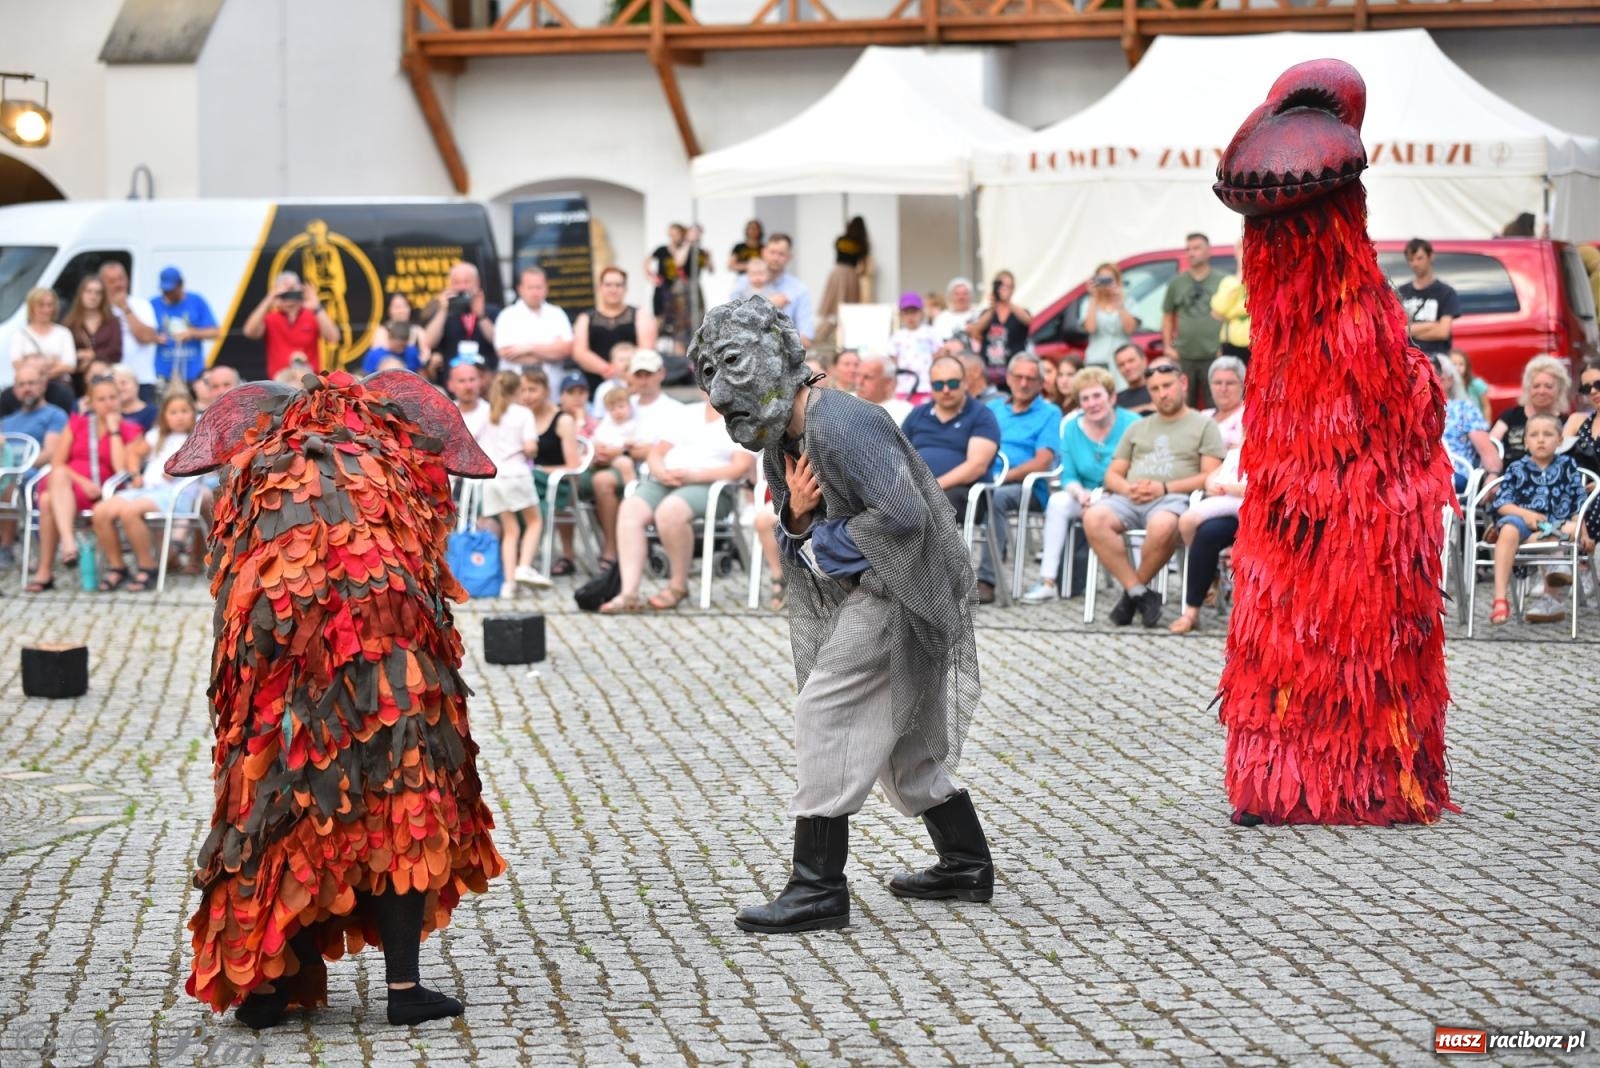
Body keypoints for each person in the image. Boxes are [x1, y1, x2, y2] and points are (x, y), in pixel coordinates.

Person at [166, 370, 505, 1030]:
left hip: (282, 656)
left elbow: (236, 588)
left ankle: (266, 984)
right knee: (401, 800)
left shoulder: (261, 465)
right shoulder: (394, 459)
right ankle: (404, 987)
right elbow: (428, 566)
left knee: (281, 801)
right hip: (393, 657)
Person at [689, 296, 992, 934]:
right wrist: (798, 514)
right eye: (708, 372)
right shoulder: (783, 436)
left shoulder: (840, 422)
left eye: (731, 365)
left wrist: (817, 533)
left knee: (824, 711)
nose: (718, 392)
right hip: (876, 583)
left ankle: (817, 886)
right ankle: (965, 862)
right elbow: (795, 519)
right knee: (900, 730)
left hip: (901, 586)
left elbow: (905, 515)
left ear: (776, 357)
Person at [1082, 361, 1223, 627]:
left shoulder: (1204, 425)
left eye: (1167, 386)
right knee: (1093, 518)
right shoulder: (1138, 427)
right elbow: (1112, 474)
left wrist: (1165, 488)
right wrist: (1126, 488)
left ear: (1183, 384)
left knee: (1164, 525)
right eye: (1155, 389)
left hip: (1173, 498)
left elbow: (1210, 476)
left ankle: (1130, 597)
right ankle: (1139, 592)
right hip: (1129, 497)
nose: (1162, 394)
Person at [600, 392, 753, 613]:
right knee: (630, 508)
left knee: (670, 511)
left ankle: (677, 585)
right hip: (667, 479)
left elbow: (740, 468)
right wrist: (660, 471)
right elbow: (656, 452)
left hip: (711, 486)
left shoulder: (742, 418)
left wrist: (695, 476)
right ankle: (628, 593)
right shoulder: (685, 413)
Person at [1020, 367, 1141, 604]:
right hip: (1086, 495)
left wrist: (1103, 496)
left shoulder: (1132, 423)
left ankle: (1138, 584)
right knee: (1058, 501)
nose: (1092, 403)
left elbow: (1138, 471)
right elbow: (1069, 475)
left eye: (1097, 396)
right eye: (1085, 398)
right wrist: (1080, 494)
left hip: (1124, 495)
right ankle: (1048, 581)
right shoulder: (1072, 428)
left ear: (1111, 397)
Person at [24, 373, 146, 594]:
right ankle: (69, 543)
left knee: (46, 500)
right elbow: (58, 461)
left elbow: (121, 468)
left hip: (103, 489)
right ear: (90, 402)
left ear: (119, 399)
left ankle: (46, 571)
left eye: (112, 397)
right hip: (70, 482)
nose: (108, 403)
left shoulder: (130, 429)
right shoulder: (77, 424)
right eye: (101, 399)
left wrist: (114, 430)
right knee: (56, 480)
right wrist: (82, 481)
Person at [1167, 357, 1250, 633]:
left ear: (1242, 385)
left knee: (1202, 529)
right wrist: (1211, 481)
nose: (1223, 388)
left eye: (1230, 383)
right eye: (1218, 383)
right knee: (1200, 530)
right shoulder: (1202, 418)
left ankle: (1201, 599)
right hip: (1212, 490)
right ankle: (1198, 599)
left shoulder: (1249, 415)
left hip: (1245, 500)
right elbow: (1214, 467)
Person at [970, 354, 1060, 603]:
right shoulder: (992, 408)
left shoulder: (1050, 413)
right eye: (1018, 377)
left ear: (1041, 383)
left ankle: (986, 580)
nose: (1023, 383)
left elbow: (1043, 461)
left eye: (1030, 379)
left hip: (1026, 487)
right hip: (983, 478)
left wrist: (1004, 477)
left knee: (995, 497)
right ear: (1008, 379)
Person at [89, 391, 199, 591]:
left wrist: (181, 469)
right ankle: (117, 566)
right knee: (101, 511)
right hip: (148, 488)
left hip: (176, 493)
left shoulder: (199, 438)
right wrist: (135, 474)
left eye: (185, 411)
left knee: (130, 511)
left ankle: (147, 566)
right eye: (173, 412)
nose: (180, 416)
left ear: (193, 413)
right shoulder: (156, 436)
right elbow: (133, 452)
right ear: (164, 416)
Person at [1486, 414, 1588, 625]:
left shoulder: (1568, 465)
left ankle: (1523, 549)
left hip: (1558, 523)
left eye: (1548, 434)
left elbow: (1579, 501)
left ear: (1560, 440)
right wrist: (1527, 515)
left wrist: (1583, 529)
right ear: (1525, 441)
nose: (1540, 439)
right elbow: (1502, 503)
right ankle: (1500, 599)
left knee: (1571, 528)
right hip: (1523, 522)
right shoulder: (1517, 467)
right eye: (1533, 435)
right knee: (1509, 530)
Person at [588, 348, 684, 566]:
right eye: (638, 374)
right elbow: (603, 431)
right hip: (622, 464)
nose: (643, 380)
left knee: (603, 481)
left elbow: (664, 449)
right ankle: (613, 546)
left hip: (652, 470)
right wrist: (601, 449)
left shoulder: (674, 409)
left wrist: (622, 451)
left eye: (648, 374)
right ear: (630, 375)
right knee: (597, 480)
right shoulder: (621, 402)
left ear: (661, 373)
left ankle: (613, 550)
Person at [471, 370, 552, 596]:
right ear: (517, 390)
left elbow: (473, 439)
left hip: (493, 479)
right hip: (516, 475)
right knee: (535, 522)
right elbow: (530, 448)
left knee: (510, 530)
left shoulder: (485, 413)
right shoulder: (522, 414)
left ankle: (509, 585)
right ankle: (524, 566)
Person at [901, 352, 1001, 527]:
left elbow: (976, 466)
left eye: (953, 383)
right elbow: (897, 455)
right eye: (939, 385)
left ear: (965, 383)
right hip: (916, 491)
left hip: (965, 493)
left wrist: (933, 487)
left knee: (928, 507)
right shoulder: (917, 415)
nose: (946, 390)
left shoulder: (981, 415)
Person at [0, 357, 69, 570]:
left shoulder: (55, 415)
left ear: (43, 385)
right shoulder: (6, 422)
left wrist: (17, 468)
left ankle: (6, 546)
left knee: (8, 483)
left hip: (37, 474)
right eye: (21, 385)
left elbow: (51, 452)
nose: (27, 389)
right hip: (7, 473)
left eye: (31, 383)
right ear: (15, 390)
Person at [518, 370, 582, 576]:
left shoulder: (563, 420)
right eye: (523, 390)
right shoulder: (519, 418)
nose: (527, 395)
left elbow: (573, 465)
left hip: (558, 482)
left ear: (546, 391)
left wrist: (541, 470)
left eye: (532, 389)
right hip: (527, 481)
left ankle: (564, 555)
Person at [1161, 233, 1223, 408]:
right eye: (1188, 249)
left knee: (1216, 406)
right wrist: (1167, 346)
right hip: (1184, 356)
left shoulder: (1222, 280)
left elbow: (1230, 316)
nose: (1191, 253)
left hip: (1214, 355)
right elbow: (1167, 316)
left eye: (1196, 248)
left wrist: (1224, 347)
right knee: (1185, 405)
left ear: (1208, 251)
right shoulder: (1177, 283)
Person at [571, 266, 656, 393]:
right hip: (595, 385)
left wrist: (623, 372)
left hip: (633, 385)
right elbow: (579, 352)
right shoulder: (585, 318)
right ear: (600, 288)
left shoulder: (640, 315)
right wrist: (608, 369)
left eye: (618, 285)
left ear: (625, 288)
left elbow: (646, 348)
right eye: (608, 285)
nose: (613, 289)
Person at [242, 271, 340, 379]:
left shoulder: (312, 315)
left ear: (300, 290)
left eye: (293, 290)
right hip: (279, 382)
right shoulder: (271, 318)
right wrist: (270, 298)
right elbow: (249, 332)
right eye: (285, 292)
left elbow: (333, 338)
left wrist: (317, 307)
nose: (289, 296)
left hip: (309, 381)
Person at [493, 265, 573, 392]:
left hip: (552, 391)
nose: (535, 292)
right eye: (530, 288)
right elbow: (506, 352)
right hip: (516, 391)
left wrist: (528, 348)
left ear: (546, 288)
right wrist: (550, 351)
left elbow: (566, 350)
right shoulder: (507, 316)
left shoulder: (557, 314)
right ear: (520, 289)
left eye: (539, 287)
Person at [729, 234, 815, 344]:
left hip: (783, 351)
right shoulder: (742, 282)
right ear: (763, 252)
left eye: (781, 254)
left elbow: (806, 338)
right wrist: (768, 303)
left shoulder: (799, 289)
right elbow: (731, 319)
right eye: (772, 252)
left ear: (790, 257)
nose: (775, 258)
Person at [422, 261, 499, 380]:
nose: (462, 288)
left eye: (466, 282)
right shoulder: (443, 312)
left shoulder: (491, 311)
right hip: (452, 379)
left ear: (477, 283)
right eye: (457, 283)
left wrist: (481, 317)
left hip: (485, 378)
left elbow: (499, 342)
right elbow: (428, 342)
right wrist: (443, 310)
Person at [98, 261, 161, 404]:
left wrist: (126, 309)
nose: (118, 284)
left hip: (142, 379)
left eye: (121, 279)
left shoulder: (141, 304)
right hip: (109, 381)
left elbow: (146, 337)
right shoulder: (100, 309)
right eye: (112, 281)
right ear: (103, 284)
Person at [1434, 355, 1500, 491]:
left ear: (1449, 380)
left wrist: (1493, 475)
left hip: (1453, 473)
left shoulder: (1464, 409)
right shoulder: (1410, 411)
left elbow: (1486, 450)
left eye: (1434, 375)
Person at [1491, 355, 1570, 464]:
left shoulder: (1566, 423)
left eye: (1548, 386)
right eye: (1536, 386)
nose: (1541, 391)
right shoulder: (1510, 416)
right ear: (1528, 388)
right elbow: (1491, 445)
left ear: (1560, 389)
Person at [8, 287, 77, 412]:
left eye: (49, 305)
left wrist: (33, 363)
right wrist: (51, 362)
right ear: (32, 307)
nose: (46, 309)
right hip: (28, 389)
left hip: (59, 385)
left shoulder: (63, 333)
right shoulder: (20, 334)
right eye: (41, 305)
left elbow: (69, 364)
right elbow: (17, 362)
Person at [150, 266, 219, 387]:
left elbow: (215, 332)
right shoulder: (153, 304)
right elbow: (143, 334)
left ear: (181, 285)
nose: (167, 294)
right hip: (163, 373)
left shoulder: (196, 301)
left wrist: (192, 333)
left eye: (171, 291)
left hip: (193, 373)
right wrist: (154, 337)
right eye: (164, 291)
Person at [647, 223, 710, 356]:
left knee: (694, 322)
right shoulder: (674, 249)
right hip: (675, 291)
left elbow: (710, 268)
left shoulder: (698, 251)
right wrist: (651, 276)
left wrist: (707, 257)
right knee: (673, 325)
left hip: (690, 291)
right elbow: (678, 262)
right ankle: (652, 351)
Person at [1398, 238, 1460, 360]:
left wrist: (1409, 331)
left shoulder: (1446, 292)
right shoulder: (1401, 292)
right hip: (1408, 359)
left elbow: (1442, 332)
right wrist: (1431, 325)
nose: (1415, 263)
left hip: (1437, 359)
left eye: (1419, 258)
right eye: (1411, 259)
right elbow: (1398, 331)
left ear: (1431, 256)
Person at [61, 274, 121, 396]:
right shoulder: (70, 323)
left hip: (105, 378)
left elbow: (116, 350)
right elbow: (64, 352)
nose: (93, 296)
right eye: (89, 291)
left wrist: (93, 355)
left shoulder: (111, 321)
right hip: (77, 380)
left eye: (98, 293)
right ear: (81, 294)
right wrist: (79, 357)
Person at [817, 216, 871, 349]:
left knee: (831, 311)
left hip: (836, 272)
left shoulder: (840, 240)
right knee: (847, 311)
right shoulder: (862, 244)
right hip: (851, 275)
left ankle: (820, 337)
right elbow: (863, 267)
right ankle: (840, 341)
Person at [971, 271, 1031, 387]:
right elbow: (976, 330)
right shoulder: (987, 313)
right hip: (989, 370)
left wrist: (1008, 302)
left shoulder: (1018, 311)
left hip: (1014, 370)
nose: (1004, 290)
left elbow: (1028, 321)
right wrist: (992, 308)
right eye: (1001, 286)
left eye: (1009, 286)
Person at [1081, 264, 1137, 377]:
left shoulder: (1128, 302)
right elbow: (1090, 329)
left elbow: (1130, 329)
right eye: (1102, 279)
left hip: (1122, 360)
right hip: (1097, 358)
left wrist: (1119, 302)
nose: (1106, 284)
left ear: (1117, 280)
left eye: (1109, 279)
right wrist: (1093, 297)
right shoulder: (1088, 303)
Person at [887, 293, 940, 400]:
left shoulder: (931, 333)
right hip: (903, 388)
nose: (910, 317)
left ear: (921, 313)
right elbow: (893, 362)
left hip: (926, 386)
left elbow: (937, 358)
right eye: (906, 313)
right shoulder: (897, 336)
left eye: (914, 312)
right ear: (901, 315)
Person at [854, 353, 911, 425]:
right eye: (857, 375)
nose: (860, 382)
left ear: (888, 383)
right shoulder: (844, 403)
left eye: (868, 377)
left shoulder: (905, 413)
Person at [1211, 272, 1250, 365]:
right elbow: (1217, 310)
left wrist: (1229, 314)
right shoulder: (1229, 282)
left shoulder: (1263, 282)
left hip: (1256, 346)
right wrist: (1237, 281)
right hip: (1230, 346)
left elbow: (1254, 305)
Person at [111, 365, 157, 433]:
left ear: (136, 384)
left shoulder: (153, 413)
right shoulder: (109, 412)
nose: (119, 388)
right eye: (114, 385)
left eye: (123, 383)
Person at [1113, 344, 1155, 415]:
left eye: (1131, 361)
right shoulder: (1116, 399)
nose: (1127, 367)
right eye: (1121, 364)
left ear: (1144, 361)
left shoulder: (1158, 389)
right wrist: (1146, 408)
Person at [1451, 349, 1491, 422]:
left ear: (1467, 366)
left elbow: (1486, 406)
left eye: (1461, 364)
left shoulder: (1476, 384)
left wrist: (1487, 425)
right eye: (1454, 364)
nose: (1457, 368)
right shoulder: (1448, 386)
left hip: (1477, 424)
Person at [559, 372, 597, 437]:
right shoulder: (555, 418)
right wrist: (580, 422)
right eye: (571, 393)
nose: (576, 397)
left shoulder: (592, 420)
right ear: (561, 395)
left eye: (581, 392)